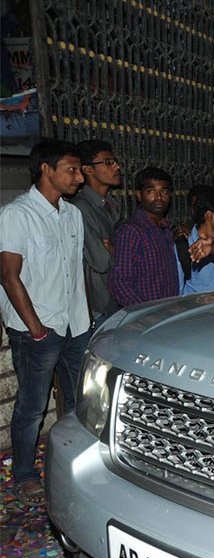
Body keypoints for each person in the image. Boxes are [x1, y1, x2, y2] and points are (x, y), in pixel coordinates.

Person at [0, 139, 91, 507]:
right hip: (36, 329)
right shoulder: (16, 215)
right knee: (33, 406)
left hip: (75, 324)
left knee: (79, 401)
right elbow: (8, 275)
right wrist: (36, 328)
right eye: (72, 169)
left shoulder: (73, 214)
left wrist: (83, 320)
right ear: (46, 169)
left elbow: (76, 270)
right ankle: (23, 474)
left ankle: (70, 466)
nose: (80, 177)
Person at [109, 167, 182, 307]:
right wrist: (144, 312)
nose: (159, 197)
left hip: (168, 312)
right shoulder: (132, 230)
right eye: (151, 191)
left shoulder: (165, 229)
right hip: (147, 318)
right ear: (138, 195)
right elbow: (119, 281)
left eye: (164, 192)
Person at [69, 139, 122, 326]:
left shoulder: (111, 204)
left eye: (115, 161)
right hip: (98, 306)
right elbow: (101, 261)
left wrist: (116, 250)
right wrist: (120, 252)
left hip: (116, 299)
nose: (117, 166)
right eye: (108, 162)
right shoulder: (81, 209)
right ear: (88, 169)